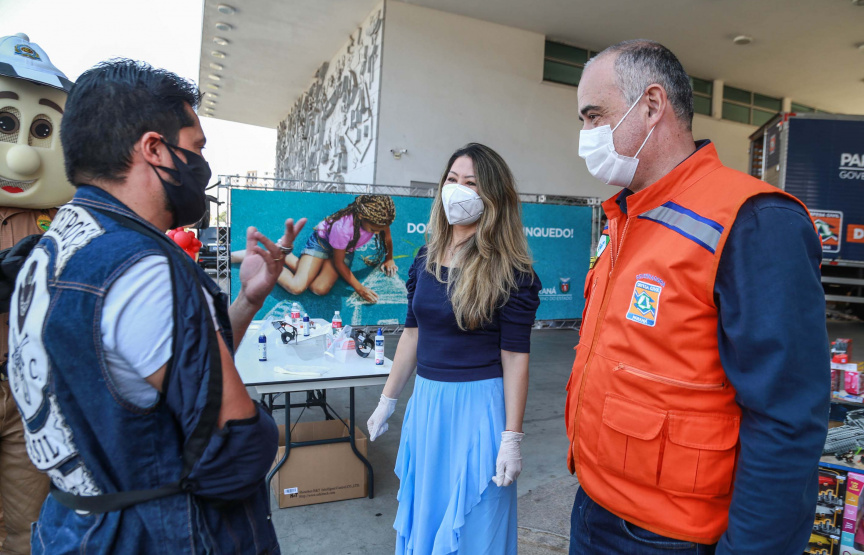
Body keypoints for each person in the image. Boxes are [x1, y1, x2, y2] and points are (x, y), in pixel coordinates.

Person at [6, 59, 306, 554]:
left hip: (74, 526)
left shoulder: (55, 246)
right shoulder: (140, 267)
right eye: (196, 148)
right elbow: (233, 445)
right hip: (154, 534)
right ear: (153, 148)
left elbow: (144, 371)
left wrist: (248, 300)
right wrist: (263, 432)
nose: (202, 166)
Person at [566, 40, 829, 554]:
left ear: (652, 105)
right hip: (596, 509)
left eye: (595, 115)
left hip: (668, 538)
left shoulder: (753, 221)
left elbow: (787, 418)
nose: (585, 134)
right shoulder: (625, 219)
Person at [366, 143, 541, 555]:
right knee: (427, 513)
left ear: (493, 198)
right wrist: (387, 401)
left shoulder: (511, 271)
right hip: (427, 405)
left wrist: (511, 437)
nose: (457, 190)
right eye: (452, 180)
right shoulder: (425, 259)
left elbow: (515, 357)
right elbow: (412, 335)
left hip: (479, 408)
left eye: (471, 184)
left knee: (476, 523)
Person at [0, 33, 74, 555]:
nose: (24, 157)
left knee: (28, 532)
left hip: (34, 395)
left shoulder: (63, 222)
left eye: (42, 130)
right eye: (6, 124)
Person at [232, 194, 397, 303]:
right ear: (362, 216)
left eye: (380, 229)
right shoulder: (343, 228)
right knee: (297, 287)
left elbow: (387, 238)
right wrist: (360, 289)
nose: (377, 233)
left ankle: (285, 255)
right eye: (374, 230)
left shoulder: (380, 220)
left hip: (341, 251)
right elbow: (339, 264)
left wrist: (389, 258)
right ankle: (267, 257)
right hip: (322, 244)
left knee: (319, 288)